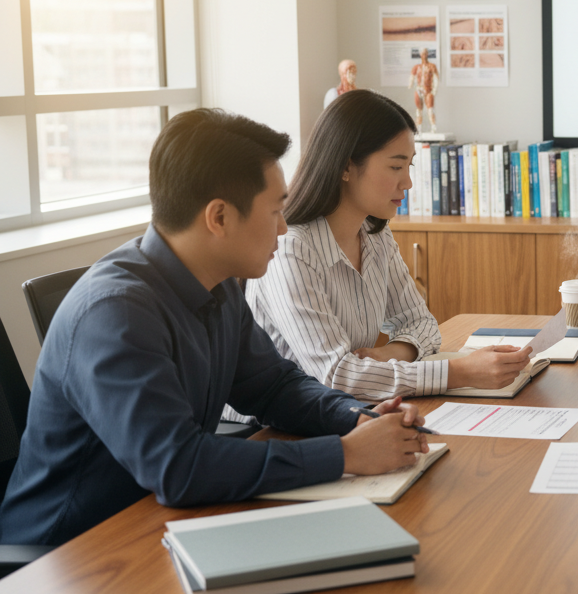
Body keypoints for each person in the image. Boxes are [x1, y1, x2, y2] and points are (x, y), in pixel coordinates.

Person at [0, 109, 430, 546]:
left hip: (156, 521)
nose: (284, 228)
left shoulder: (217, 282)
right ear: (219, 218)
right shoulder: (115, 314)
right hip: (70, 551)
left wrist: (357, 419)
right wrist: (345, 454)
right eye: (276, 211)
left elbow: (273, 386)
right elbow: (178, 466)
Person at [243, 89, 530, 402]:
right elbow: (336, 376)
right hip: (267, 430)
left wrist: (394, 351)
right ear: (346, 167)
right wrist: (460, 371)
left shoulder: (374, 234)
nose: (407, 182)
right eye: (396, 167)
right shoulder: (291, 250)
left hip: (340, 413)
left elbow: (422, 323)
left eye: (410, 167)